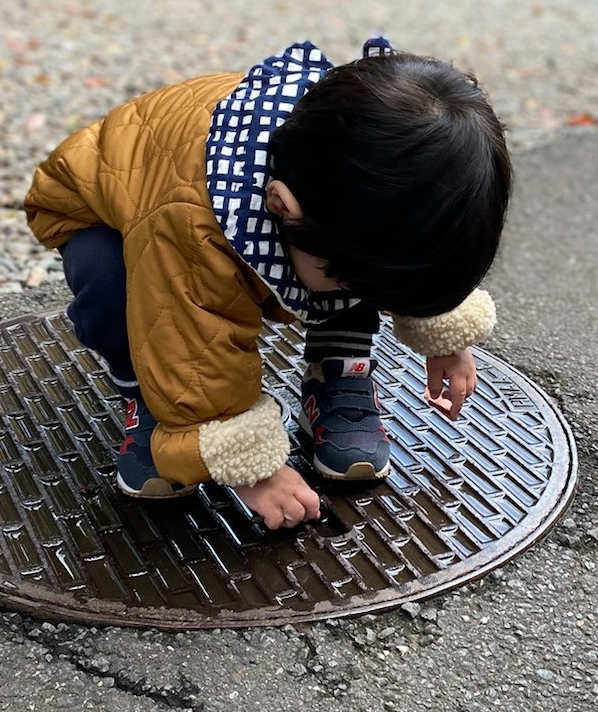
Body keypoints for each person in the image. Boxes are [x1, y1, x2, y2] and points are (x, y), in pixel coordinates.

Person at [25, 38, 512, 530]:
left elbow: (413, 246)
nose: (364, 295)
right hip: (112, 218)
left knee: (360, 259)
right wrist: (252, 467)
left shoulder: (359, 167)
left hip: (308, 224)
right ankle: (151, 402)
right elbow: (193, 340)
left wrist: (444, 330)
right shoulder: (191, 225)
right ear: (281, 206)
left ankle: (339, 369)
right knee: (119, 289)